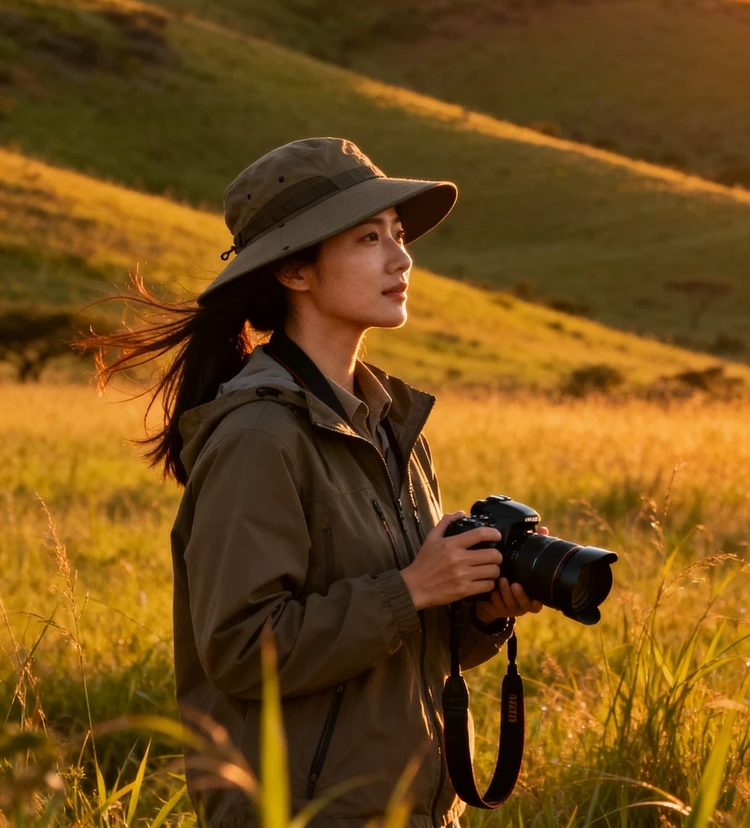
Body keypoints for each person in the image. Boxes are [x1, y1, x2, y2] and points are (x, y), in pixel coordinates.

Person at [85, 137, 543, 828]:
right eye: (368, 237)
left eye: (397, 234)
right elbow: (240, 650)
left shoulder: (391, 424)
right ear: (296, 271)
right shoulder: (256, 437)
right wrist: (413, 587)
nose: (402, 256)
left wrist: (476, 613)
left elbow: (405, 644)